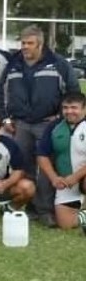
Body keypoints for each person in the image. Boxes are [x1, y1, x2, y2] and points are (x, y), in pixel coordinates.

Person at [0, 24, 80, 227]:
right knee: (22, 167)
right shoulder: (13, 63)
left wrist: (62, 117)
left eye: (29, 43)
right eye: (23, 43)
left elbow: (73, 92)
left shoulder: (58, 64)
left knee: (46, 170)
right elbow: (2, 92)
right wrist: (5, 118)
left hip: (48, 124)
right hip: (21, 125)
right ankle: (25, 207)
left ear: (40, 44)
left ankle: (44, 210)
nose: (25, 47)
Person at [36, 91, 86, 231]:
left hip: (81, 179)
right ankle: (84, 215)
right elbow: (42, 155)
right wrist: (54, 178)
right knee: (66, 224)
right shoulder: (54, 127)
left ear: (84, 108)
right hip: (66, 184)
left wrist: (76, 177)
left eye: (74, 107)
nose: (69, 111)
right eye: (65, 107)